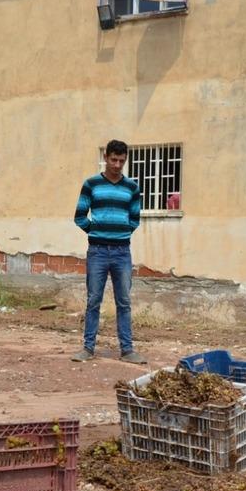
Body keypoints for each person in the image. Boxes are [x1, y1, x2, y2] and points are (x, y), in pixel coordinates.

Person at [72, 139, 147, 365]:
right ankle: (88, 348)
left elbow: (134, 218)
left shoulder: (132, 188)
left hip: (122, 252)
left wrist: (121, 231)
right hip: (97, 251)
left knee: (123, 301)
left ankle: (127, 349)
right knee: (93, 300)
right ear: (106, 158)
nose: (117, 165)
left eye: (121, 161)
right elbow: (79, 216)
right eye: (113, 160)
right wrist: (95, 231)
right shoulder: (91, 184)